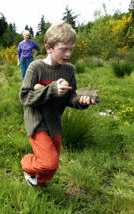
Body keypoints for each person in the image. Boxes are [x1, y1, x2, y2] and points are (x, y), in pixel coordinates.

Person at [20, 23, 98, 187]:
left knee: (52, 166)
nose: (68, 54)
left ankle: (36, 183)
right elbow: (25, 97)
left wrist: (82, 101)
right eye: (63, 49)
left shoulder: (69, 70)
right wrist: (52, 89)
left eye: (71, 49)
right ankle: (26, 163)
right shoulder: (36, 67)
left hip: (54, 121)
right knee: (49, 162)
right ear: (48, 48)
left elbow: (71, 97)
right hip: (36, 120)